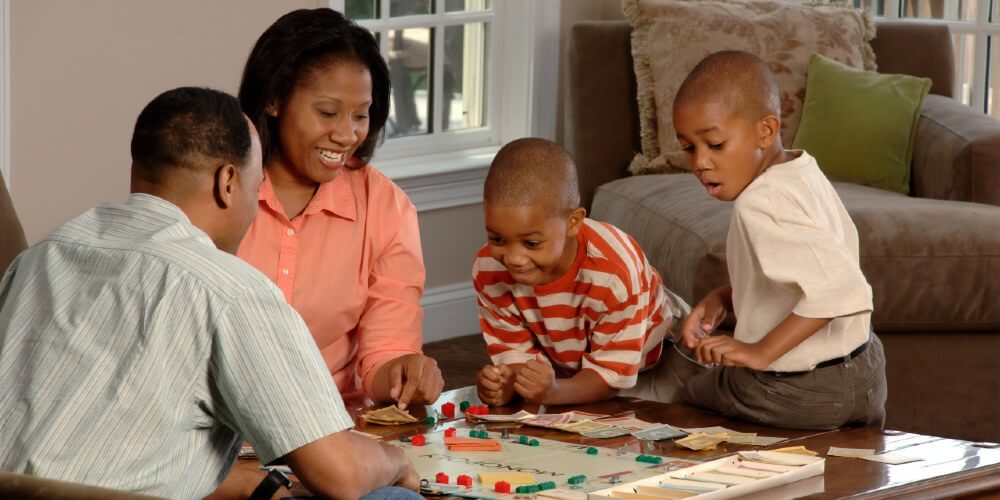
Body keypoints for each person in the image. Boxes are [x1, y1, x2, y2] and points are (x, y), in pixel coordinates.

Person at [0, 87, 418, 499]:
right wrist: (396, 461)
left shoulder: (41, 258)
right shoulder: (230, 290)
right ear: (228, 182)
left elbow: (101, 438)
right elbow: (340, 475)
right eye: (256, 190)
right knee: (391, 497)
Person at [237, 8, 443, 409]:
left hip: (331, 424)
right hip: (224, 429)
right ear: (276, 99)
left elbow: (385, 351)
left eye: (361, 115)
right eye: (328, 112)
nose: (347, 134)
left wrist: (404, 373)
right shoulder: (222, 190)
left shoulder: (386, 207)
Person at [673, 51, 887, 430]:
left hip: (801, 390)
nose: (700, 162)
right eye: (690, 148)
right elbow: (815, 271)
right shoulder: (801, 168)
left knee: (689, 393)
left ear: (765, 131)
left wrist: (758, 352)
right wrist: (726, 296)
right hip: (866, 373)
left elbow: (841, 290)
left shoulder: (760, 201)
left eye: (715, 145)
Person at [472, 138, 691, 406]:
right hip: (576, 360)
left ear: (572, 222)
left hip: (662, 351)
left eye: (531, 243)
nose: (514, 258)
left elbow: (608, 376)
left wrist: (553, 393)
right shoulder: (489, 270)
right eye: (497, 239)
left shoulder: (614, 274)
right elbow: (517, 359)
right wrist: (509, 383)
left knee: (663, 417)